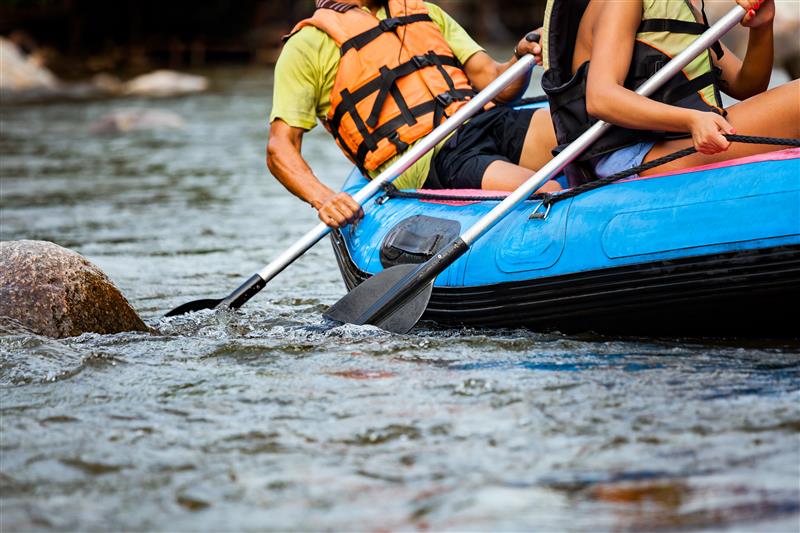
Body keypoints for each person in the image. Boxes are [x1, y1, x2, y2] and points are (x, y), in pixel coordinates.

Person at [267, 0, 561, 230]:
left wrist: (521, 56)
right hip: (431, 157)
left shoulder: (424, 12)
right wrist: (323, 198)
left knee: (574, 125)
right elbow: (280, 148)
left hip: (484, 120)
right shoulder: (305, 46)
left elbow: (496, 84)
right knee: (550, 192)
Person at [540, 0, 800, 185]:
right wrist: (691, 120)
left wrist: (761, 28)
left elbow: (746, 86)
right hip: (634, 158)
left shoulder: (683, 9)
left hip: (668, 143)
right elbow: (601, 99)